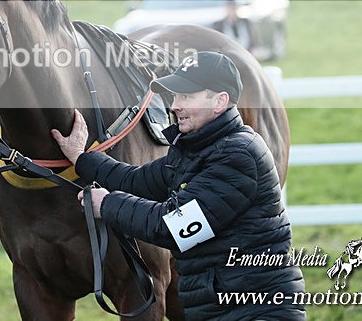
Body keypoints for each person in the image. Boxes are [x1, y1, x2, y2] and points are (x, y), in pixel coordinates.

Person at [52, 51, 306, 320]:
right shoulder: (196, 148)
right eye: (174, 96)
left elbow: (175, 228)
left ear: (220, 101)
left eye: (186, 96)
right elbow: (135, 181)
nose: (174, 105)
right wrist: (81, 158)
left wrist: (107, 204)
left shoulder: (237, 156)